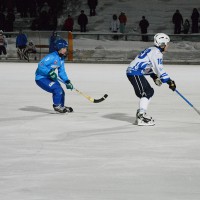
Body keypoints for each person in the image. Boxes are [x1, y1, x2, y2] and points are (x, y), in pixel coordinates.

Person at [126, 33, 176, 126]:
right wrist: (169, 81)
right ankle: (141, 116)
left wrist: (153, 75)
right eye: (167, 44)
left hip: (135, 72)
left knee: (149, 91)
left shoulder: (151, 49)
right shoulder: (157, 53)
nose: (168, 46)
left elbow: (144, 64)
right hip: (134, 73)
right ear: (163, 44)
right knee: (146, 92)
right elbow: (159, 68)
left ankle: (141, 114)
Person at [35, 39, 74, 113]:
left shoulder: (61, 59)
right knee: (57, 89)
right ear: (60, 48)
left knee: (61, 91)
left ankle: (61, 106)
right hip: (41, 78)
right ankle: (56, 106)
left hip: (50, 77)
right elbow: (40, 65)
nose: (66, 50)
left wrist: (67, 81)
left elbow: (61, 72)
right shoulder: (52, 56)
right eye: (65, 48)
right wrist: (49, 72)